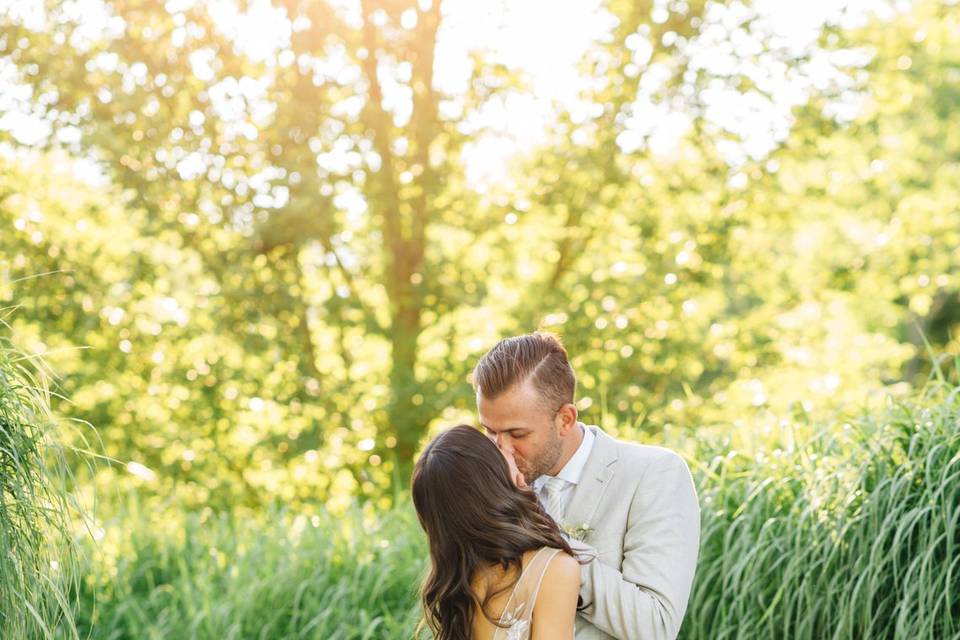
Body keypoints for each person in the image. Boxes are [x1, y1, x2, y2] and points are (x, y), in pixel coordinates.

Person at [473, 332, 700, 640]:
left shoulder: (654, 474)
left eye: (517, 434)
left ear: (565, 419)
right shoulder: (487, 486)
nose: (502, 450)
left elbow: (655, 626)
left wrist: (544, 538)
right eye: (491, 432)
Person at [412, 424, 583, 639]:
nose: (506, 450)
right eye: (494, 448)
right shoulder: (554, 569)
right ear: (492, 480)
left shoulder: (458, 580)